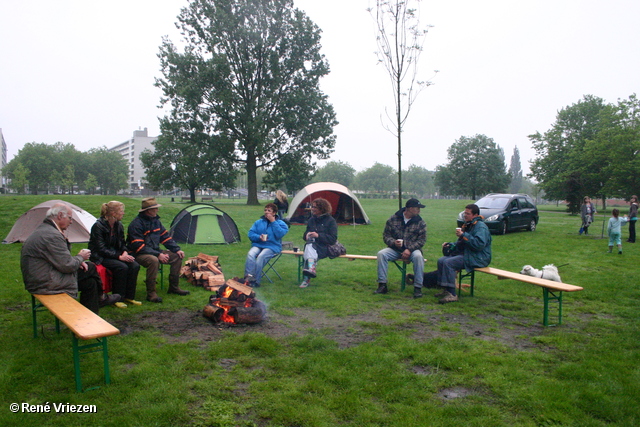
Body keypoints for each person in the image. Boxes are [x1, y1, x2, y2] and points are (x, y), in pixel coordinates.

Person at [21, 202, 119, 314]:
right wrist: (80, 257)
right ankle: (101, 297)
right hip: (45, 283)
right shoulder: (52, 235)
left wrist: (77, 261)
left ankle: (90, 315)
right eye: (70, 218)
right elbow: (67, 266)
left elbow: (57, 258)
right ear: (59, 216)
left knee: (90, 283)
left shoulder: (45, 230)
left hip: (40, 279)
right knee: (90, 267)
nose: (71, 222)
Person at [127, 197, 189, 303]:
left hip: (154, 251)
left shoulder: (156, 222)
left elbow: (165, 237)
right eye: (155, 208)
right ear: (148, 211)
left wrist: (177, 249)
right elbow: (138, 246)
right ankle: (151, 294)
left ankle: (174, 287)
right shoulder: (136, 224)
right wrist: (157, 254)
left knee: (177, 256)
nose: (157, 210)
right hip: (138, 253)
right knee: (153, 260)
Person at [435, 203, 492, 304]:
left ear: (475, 215)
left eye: (468, 213)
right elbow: (461, 244)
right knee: (441, 260)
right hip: (468, 254)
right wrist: (450, 245)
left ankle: (452, 295)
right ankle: (446, 289)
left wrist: (463, 235)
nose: (465, 215)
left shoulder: (480, 227)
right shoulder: (469, 225)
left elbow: (479, 245)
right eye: (464, 213)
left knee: (449, 262)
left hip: (479, 258)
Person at [89, 201, 141, 308]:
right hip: (100, 256)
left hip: (115, 254)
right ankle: (118, 297)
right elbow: (101, 248)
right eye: (121, 211)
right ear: (113, 213)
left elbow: (122, 243)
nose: (123, 214)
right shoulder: (98, 226)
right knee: (121, 267)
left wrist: (125, 252)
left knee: (134, 265)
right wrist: (119, 257)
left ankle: (129, 296)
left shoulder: (119, 225)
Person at [375, 198, 427, 298]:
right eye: (417, 208)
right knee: (381, 254)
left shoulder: (420, 222)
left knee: (418, 257)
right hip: (395, 250)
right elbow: (386, 236)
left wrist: (409, 249)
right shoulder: (393, 219)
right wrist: (393, 243)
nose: (419, 211)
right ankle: (382, 285)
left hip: (413, 251)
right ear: (410, 208)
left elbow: (422, 240)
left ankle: (418, 288)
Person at [244, 203, 289, 287]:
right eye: (265, 210)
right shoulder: (258, 222)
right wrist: (258, 237)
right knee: (250, 254)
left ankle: (256, 280)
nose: (266, 212)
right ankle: (248, 277)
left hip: (272, 246)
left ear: (274, 213)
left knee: (261, 256)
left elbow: (279, 234)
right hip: (258, 244)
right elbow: (250, 234)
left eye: (269, 211)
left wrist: (273, 222)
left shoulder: (281, 224)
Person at [299, 198, 337, 288]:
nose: (312, 209)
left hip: (325, 247)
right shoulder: (312, 219)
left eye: (315, 207)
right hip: (312, 246)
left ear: (322, 208)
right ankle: (311, 268)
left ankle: (306, 279)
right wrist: (307, 235)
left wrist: (318, 236)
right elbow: (305, 235)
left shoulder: (331, 221)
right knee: (309, 246)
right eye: (312, 206)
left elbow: (333, 239)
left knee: (308, 250)